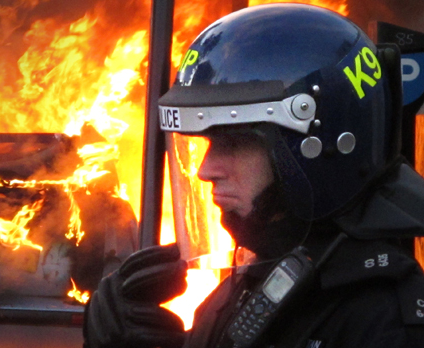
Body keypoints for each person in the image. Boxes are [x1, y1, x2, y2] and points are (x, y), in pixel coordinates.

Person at [83, 3, 424, 348]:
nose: (205, 170)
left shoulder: (384, 321)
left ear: (317, 148)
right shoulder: (241, 291)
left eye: (234, 142)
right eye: (207, 143)